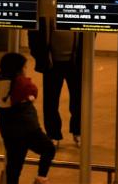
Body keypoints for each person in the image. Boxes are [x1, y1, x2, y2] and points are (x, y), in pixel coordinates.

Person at [0, 52, 55, 184]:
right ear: (19, 68)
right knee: (48, 149)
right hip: (29, 129)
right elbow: (33, 91)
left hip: (8, 131)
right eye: (24, 66)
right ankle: (41, 178)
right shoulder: (22, 83)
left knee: (14, 167)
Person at [28, 17, 83, 147]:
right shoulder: (44, 16)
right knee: (50, 102)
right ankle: (53, 134)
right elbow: (33, 36)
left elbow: (90, 34)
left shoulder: (79, 14)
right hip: (52, 65)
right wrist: (40, 56)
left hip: (75, 64)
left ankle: (78, 131)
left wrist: (83, 55)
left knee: (78, 100)